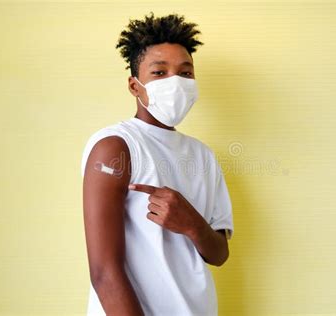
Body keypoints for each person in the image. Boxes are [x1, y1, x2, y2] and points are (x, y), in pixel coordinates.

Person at [81, 12, 234, 316]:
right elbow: (104, 273)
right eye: (160, 72)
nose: (175, 82)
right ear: (135, 86)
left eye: (185, 73)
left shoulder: (203, 155)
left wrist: (191, 223)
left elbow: (219, 254)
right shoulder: (116, 146)